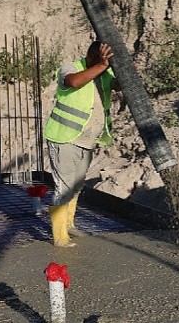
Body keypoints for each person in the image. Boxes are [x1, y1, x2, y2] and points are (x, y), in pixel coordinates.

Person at [43, 41, 117, 247]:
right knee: (64, 187)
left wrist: (127, 71)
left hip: (87, 141)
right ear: (92, 57)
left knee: (76, 185)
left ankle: (69, 224)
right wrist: (102, 66)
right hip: (65, 137)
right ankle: (60, 237)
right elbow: (73, 82)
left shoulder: (104, 73)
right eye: (102, 61)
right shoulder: (71, 68)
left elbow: (118, 85)